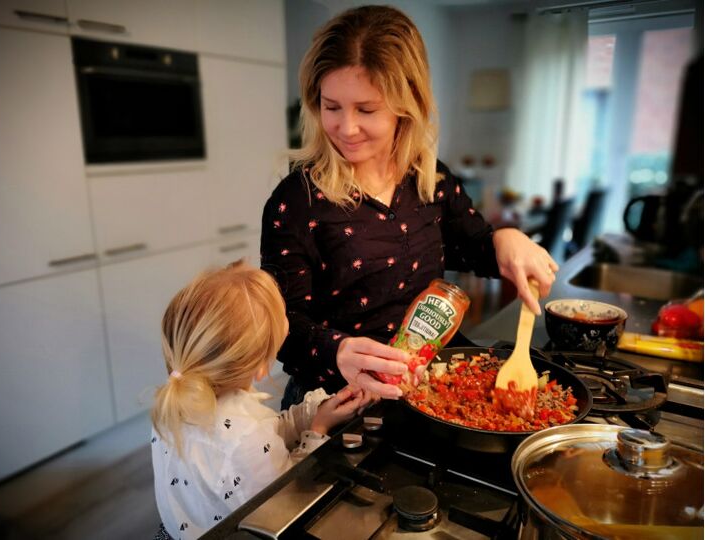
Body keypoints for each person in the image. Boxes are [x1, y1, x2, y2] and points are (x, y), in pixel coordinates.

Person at [260, 5, 558, 408]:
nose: (346, 128)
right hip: (336, 401)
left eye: (366, 109)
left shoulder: (429, 179)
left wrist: (507, 240)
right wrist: (336, 351)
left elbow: (476, 248)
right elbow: (280, 326)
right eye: (331, 107)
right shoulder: (297, 201)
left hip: (428, 386)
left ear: (407, 104)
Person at [150, 262, 369, 540]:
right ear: (261, 368)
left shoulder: (173, 401)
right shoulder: (245, 438)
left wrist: (314, 412)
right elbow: (285, 504)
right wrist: (317, 431)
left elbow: (265, 434)